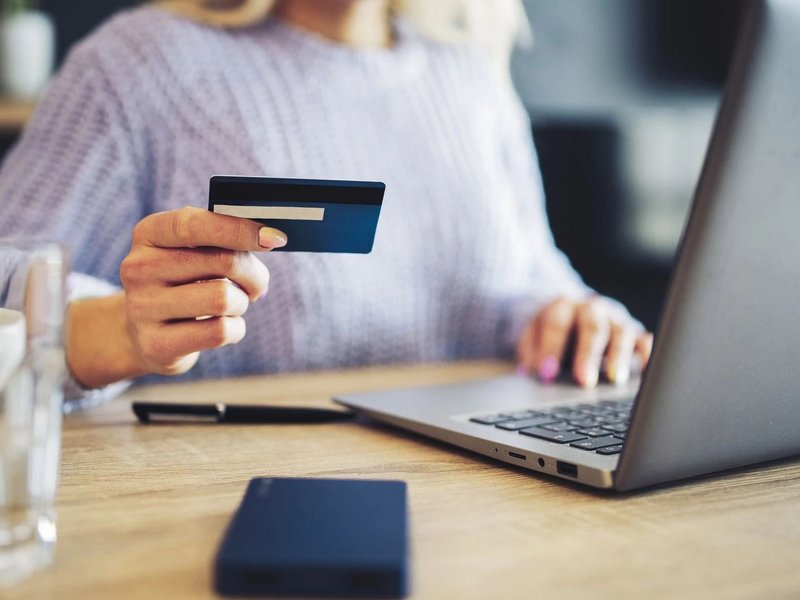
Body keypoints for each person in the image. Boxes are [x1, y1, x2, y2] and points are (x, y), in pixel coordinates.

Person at [0, 0, 652, 405]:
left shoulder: (470, 76)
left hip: (476, 508)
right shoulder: (138, 66)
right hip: (227, 504)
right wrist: (120, 331)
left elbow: (534, 276)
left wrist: (574, 319)